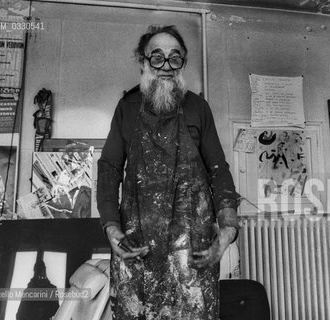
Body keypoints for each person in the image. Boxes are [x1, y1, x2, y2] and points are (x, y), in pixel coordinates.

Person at [97, 25, 239, 320]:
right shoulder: (127, 107)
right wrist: (111, 228)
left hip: (192, 248)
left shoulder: (198, 108)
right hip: (138, 246)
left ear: (182, 64)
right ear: (143, 62)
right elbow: (109, 169)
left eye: (175, 58)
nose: (166, 66)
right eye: (157, 57)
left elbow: (219, 171)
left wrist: (227, 231)